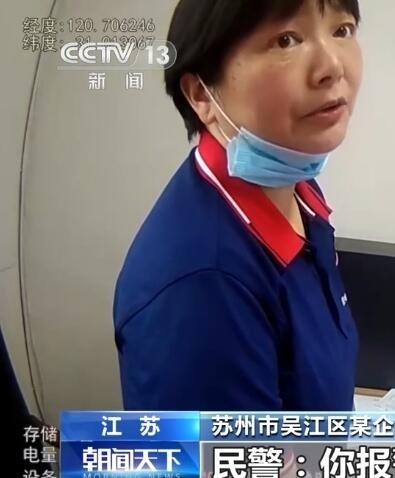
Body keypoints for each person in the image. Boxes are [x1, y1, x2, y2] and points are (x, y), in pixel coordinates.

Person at [113, 0, 362, 411]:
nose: (333, 66)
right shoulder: (202, 288)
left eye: (342, 30)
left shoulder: (300, 190)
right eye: (287, 40)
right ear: (201, 95)